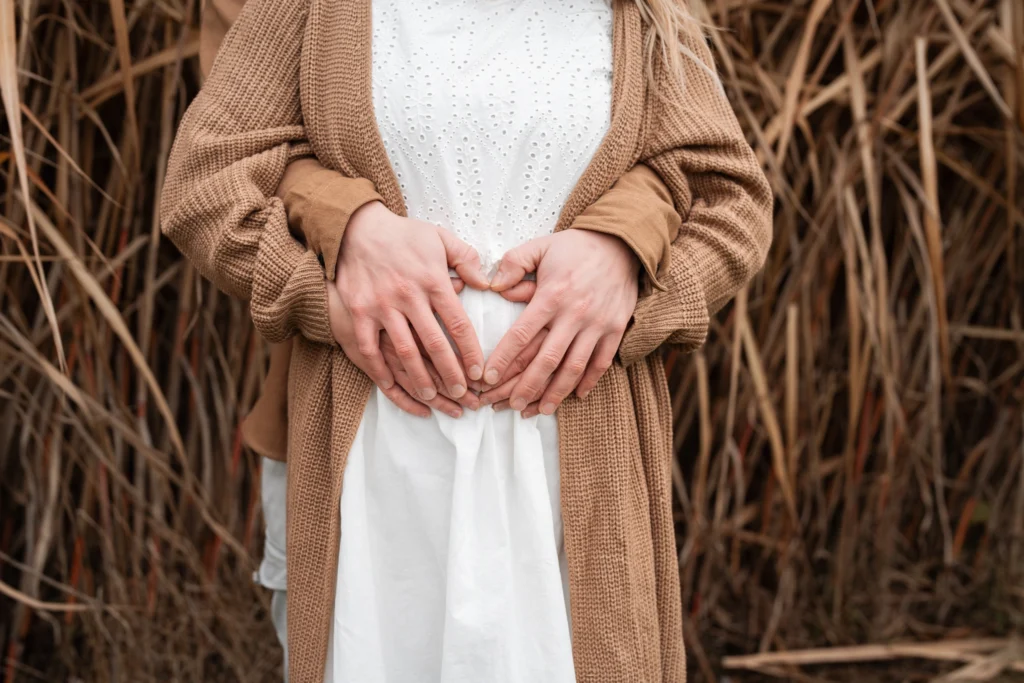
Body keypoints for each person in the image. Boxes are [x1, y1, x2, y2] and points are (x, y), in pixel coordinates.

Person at [164, 0, 773, 680]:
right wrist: (330, 292)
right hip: (380, 458)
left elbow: (727, 194)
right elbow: (208, 178)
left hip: (572, 457)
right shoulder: (314, 11)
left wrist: (625, 267)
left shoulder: (642, 14)